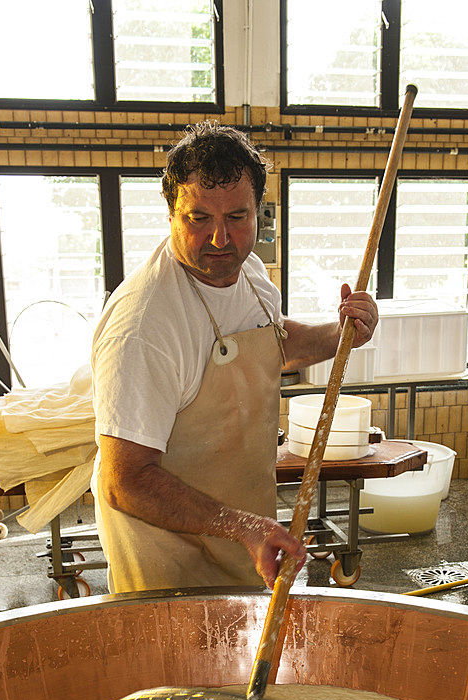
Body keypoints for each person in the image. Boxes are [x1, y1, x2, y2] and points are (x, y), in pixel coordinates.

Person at [91, 121, 378, 595]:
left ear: (259, 212)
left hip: (242, 546)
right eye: (199, 218)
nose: (221, 239)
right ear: (170, 214)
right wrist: (242, 526)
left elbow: (274, 344)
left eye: (238, 217)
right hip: (169, 569)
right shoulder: (145, 326)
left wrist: (344, 332)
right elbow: (126, 481)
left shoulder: (251, 276)